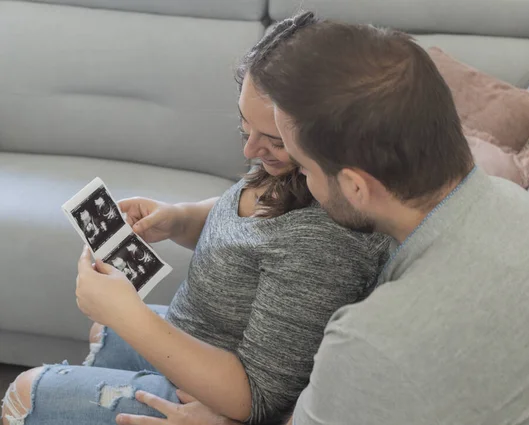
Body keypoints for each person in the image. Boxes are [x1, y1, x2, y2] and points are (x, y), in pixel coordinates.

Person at [116, 15, 529, 425]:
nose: (289, 177)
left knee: (38, 388)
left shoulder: (372, 341)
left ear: (355, 186)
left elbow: (268, 396)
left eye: (303, 168)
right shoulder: (512, 206)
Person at [1, 13, 390, 425]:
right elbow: (246, 228)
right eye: (245, 130)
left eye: (274, 140)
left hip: (221, 388)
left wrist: (129, 315)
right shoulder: (286, 170)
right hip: (199, 337)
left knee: (26, 393)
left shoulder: (322, 239)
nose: (250, 151)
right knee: (103, 332)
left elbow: (256, 398)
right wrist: (179, 219)